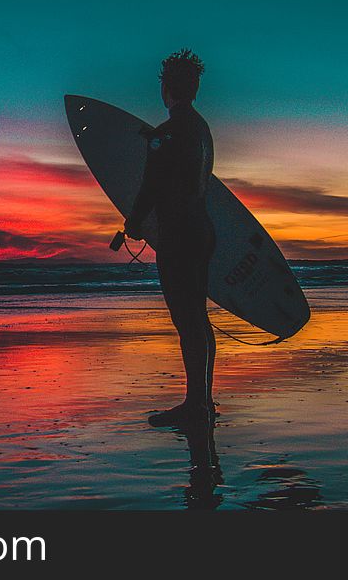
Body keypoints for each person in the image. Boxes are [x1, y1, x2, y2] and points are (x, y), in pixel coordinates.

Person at [124, 49, 216, 427]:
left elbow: (152, 185)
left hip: (178, 235)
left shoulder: (165, 134)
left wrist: (134, 221)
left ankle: (194, 407)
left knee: (187, 322)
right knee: (199, 319)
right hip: (201, 229)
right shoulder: (202, 130)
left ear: (167, 88)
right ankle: (203, 401)